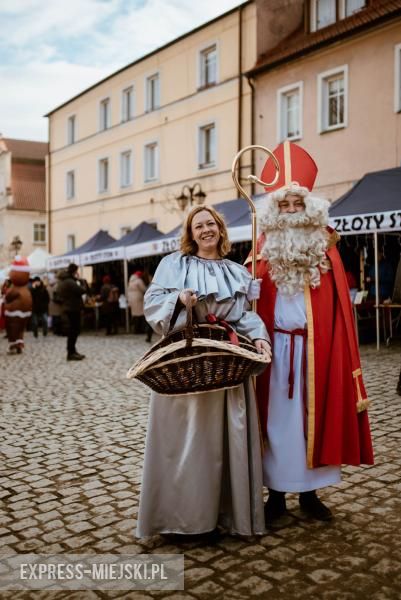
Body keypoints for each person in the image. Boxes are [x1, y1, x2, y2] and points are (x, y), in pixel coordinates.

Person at [247, 141, 374, 525]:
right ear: (275, 210)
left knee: (309, 420)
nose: (289, 211)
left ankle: (310, 494)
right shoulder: (262, 248)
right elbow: (248, 303)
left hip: (316, 350)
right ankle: (275, 496)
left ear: (308, 207)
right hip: (275, 348)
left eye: (296, 204)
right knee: (275, 422)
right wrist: (248, 286)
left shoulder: (326, 248)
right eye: (283, 205)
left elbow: (337, 309)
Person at [136, 206, 271, 539]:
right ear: (190, 233)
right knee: (187, 444)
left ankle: (223, 516)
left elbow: (244, 317)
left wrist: (259, 338)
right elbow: (152, 303)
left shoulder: (237, 272)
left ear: (221, 230)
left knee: (224, 443)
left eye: (211, 224)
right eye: (199, 226)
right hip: (187, 365)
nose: (206, 230)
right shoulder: (173, 264)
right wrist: (179, 299)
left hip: (226, 364)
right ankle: (184, 520)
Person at [57, 263, 86, 360]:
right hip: (73, 308)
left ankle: (72, 350)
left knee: (73, 330)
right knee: (74, 330)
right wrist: (82, 282)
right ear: (74, 271)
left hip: (69, 307)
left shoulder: (64, 281)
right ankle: (71, 352)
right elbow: (82, 290)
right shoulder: (69, 282)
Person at [4, 256, 32, 354]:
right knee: (20, 329)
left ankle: (13, 345)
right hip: (25, 313)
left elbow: (7, 297)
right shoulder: (26, 289)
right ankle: (19, 344)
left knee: (12, 329)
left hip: (13, 313)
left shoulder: (14, 288)